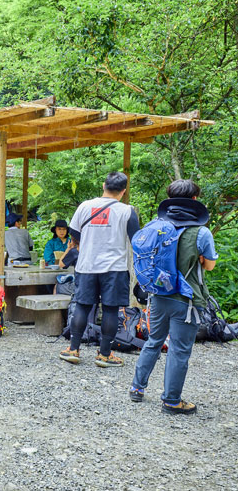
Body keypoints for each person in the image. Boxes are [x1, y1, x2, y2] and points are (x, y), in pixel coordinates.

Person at [130, 180, 217, 415]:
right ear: (195, 200)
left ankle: (137, 388)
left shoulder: (156, 225)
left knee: (154, 341)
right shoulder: (201, 232)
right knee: (179, 349)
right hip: (185, 300)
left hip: (158, 295)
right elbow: (209, 266)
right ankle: (172, 401)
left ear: (169, 198)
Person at [59, 171, 140, 368]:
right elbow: (136, 240)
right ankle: (104, 354)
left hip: (87, 265)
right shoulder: (128, 211)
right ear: (123, 191)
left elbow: (75, 236)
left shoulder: (85, 206)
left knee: (82, 306)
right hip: (115, 268)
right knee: (111, 310)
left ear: (104, 185)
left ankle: (73, 349)